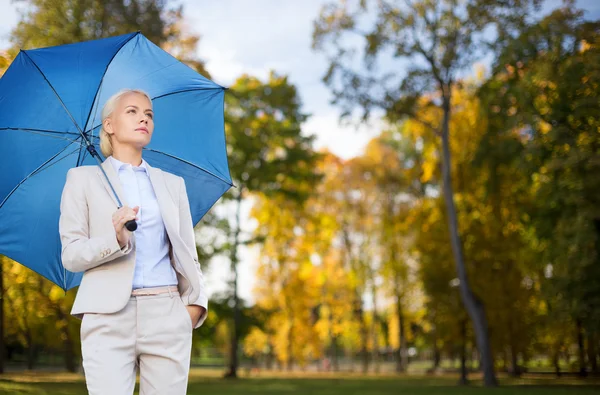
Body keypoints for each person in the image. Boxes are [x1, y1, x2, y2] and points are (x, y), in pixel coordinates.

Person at [59, 88, 208, 395]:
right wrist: (114, 238)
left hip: (167, 314)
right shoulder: (82, 179)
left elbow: (187, 253)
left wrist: (194, 305)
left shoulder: (172, 184)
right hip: (107, 316)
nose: (144, 117)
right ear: (109, 125)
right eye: (133, 111)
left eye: (149, 114)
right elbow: (71, 256)